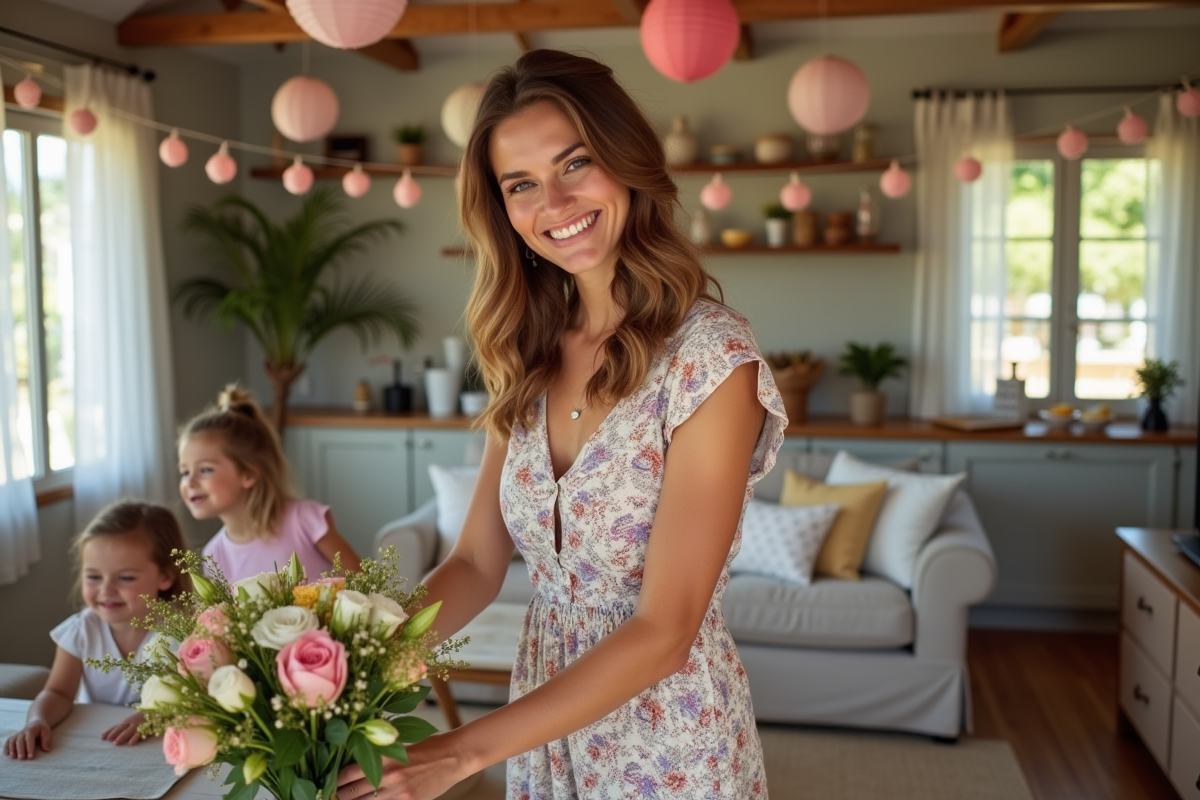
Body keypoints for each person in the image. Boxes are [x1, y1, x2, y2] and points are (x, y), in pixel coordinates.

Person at [339, 49, 788, 800]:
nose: (553, 201)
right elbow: (476, 562)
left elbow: (666, 628)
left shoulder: (710, 359)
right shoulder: (525, 350)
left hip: (671, 740)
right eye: (521, 184)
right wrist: (351, 666)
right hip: (545, 725)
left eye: (575, 163)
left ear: (626, 160)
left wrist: (458, 752)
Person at [3, 501, 191, 760]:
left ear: (165, 577)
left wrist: (155, 714)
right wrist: (37, 720)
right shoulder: (81, 630)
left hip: (156, 751)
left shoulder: (182, 636)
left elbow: (193, 700)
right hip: (94, 747)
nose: (106, 590)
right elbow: (58, 692)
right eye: (94, 576)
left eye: (125, 578)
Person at [178, 385, 362, 583]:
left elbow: (361, 580)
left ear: (248, 474)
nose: (190, 482)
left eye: (205, 470)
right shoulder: (214, 556)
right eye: (185, 472)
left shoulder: (305, 521)